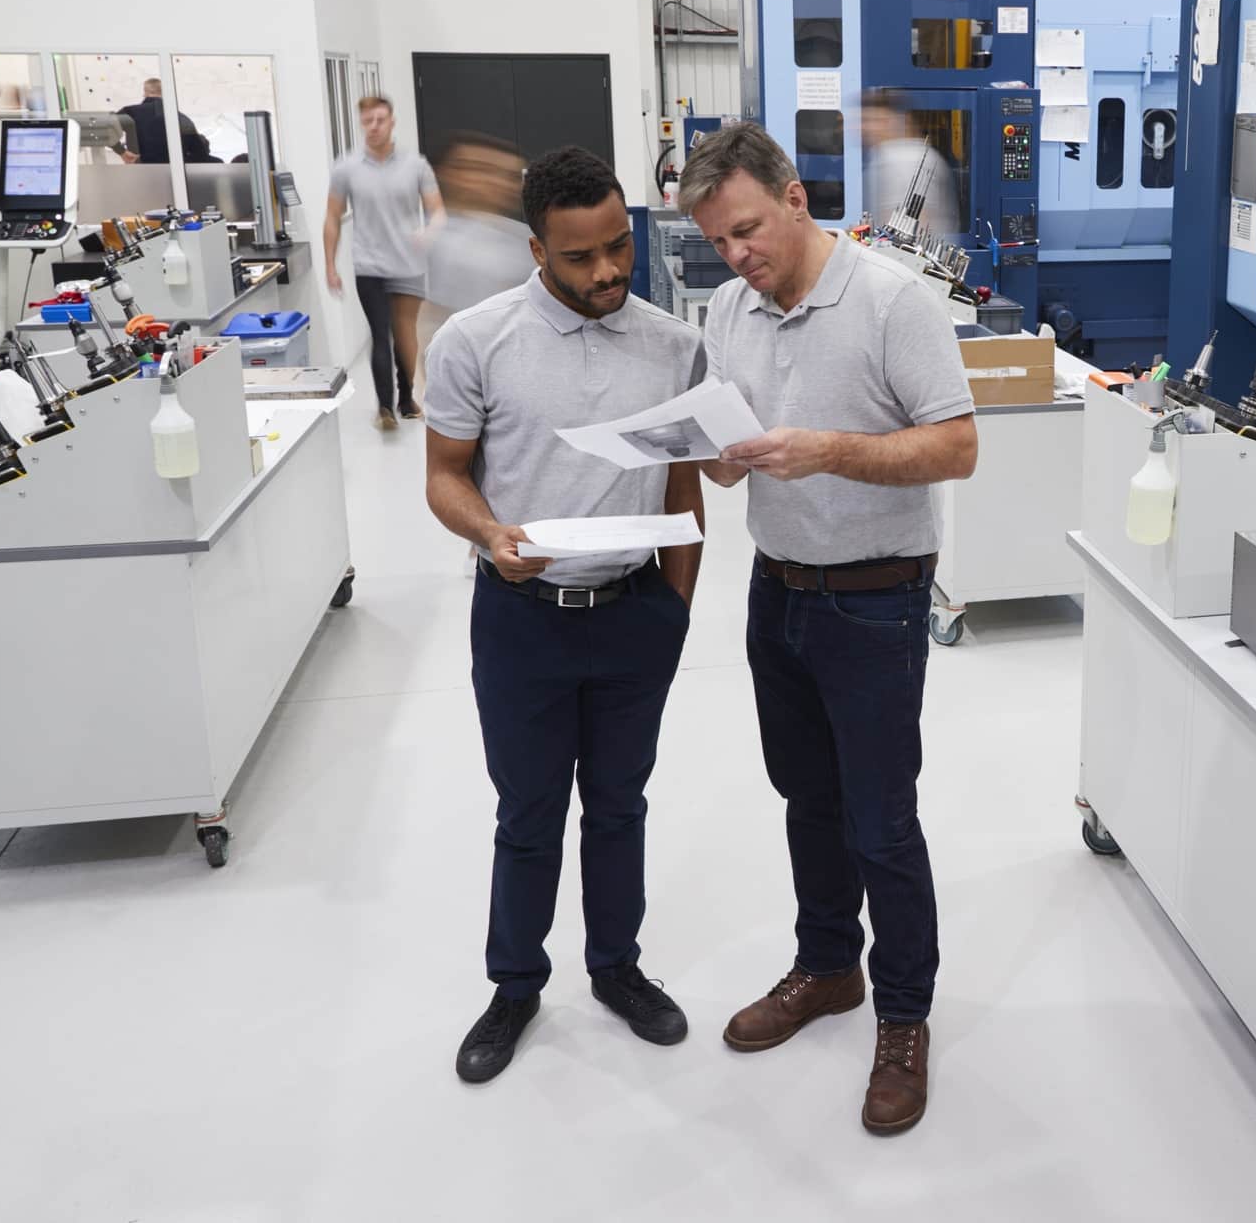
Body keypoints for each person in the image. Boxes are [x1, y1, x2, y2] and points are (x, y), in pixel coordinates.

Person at [679, 122, 978, 1137]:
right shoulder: (729, 308)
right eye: (720, 241)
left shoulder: (895, 302)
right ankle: (825, 967)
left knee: (880, 820)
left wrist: (833, 452)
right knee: (806, 798)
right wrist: (720, 460)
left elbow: (957, 446)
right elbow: (725, 446)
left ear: (795, 197)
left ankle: (904, 1016)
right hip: (778, 593)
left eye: (749, 230)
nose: (738, 256)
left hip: (875, 600)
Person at [422, 145, 705, 1085]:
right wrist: (491, 535)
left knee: (620, 806)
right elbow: (444, 477)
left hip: (634, 615)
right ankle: (514, 985)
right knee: (530, 811)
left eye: (618, 247)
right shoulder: (476, 341)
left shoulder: (671, 344)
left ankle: (616, 969)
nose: (608, 272)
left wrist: (673, 610)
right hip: (520, 617)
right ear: (537, 249)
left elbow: (683, 489)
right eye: (581, 257)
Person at [325, 95, 443, 430]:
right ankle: (385, 409)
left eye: (380, 120)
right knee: (380, 333)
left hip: (409, 265)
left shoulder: (416, 165)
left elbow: (437, 211)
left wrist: (429, 232)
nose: (374, 127)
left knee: (404, 333)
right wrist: (330, 265)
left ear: (392, 122)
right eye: (367, 121)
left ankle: (406, 400)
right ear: (361, 124)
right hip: (369, 265)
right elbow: (332, 217)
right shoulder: (346, 167)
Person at [419, 131, 537, 358]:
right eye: (479, 169)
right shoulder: (423, 243)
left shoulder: (525, 243)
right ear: (446, 173)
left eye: (506, 174)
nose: (494, 181)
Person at [860, 90, 959, 242]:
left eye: (874, 120)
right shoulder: (886, 155)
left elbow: (917, 222)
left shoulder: (904, 159)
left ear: (896, 121)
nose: (864, 128)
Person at [114, 78, 205, 165]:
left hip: (139, 172)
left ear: (145, 93)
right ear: (164, 93)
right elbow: (199, 151)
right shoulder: (182, 118)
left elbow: (105, 127)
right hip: (174, 176)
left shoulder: (131, 112)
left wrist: (121, 151)